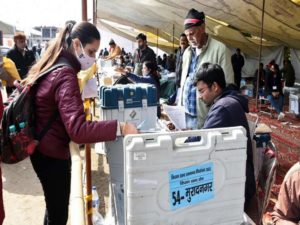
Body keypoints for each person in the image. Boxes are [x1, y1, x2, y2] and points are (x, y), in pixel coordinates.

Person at [25, 21, 138, 225]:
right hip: (51, 154)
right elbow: (78, 130)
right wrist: (121, 127)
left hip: (43, 147)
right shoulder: (65, 74)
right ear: (76, 44)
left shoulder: (55, 63)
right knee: (58, 215)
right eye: (91, 51)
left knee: (53, 209)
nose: (93, 58)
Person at [194, 62, 256, 212]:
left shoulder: (222, 107)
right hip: (237, 175)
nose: (199, 97)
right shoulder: (226, 101)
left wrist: (181, 139)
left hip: (237, 186)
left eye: (201, 91)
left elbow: (202, 140)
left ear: (214, 87)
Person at [178, 8, 234, 129]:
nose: (189, 38)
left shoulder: (220, 50)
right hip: (186, 113)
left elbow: (228, 87)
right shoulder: (187, 52)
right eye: (187, 35)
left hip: (207, 117)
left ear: (202, 28)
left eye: (192, 34)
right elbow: (184, 79)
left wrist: (216, 115)